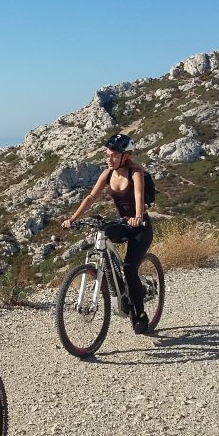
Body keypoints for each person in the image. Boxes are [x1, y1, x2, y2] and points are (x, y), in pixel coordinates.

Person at [61, 133, 153, 334]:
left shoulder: (135, 173)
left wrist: (138, 215)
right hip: (122, 222)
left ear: (126, 156)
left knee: (129, 269)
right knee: (101, 235)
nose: (108, 159)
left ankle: (139, 314)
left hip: (140, 226)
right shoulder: (107, 173)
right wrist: (73, 218)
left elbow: (138, 195)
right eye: (107, 155)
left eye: (113, 155)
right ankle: (117, 287)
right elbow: (91, 197)